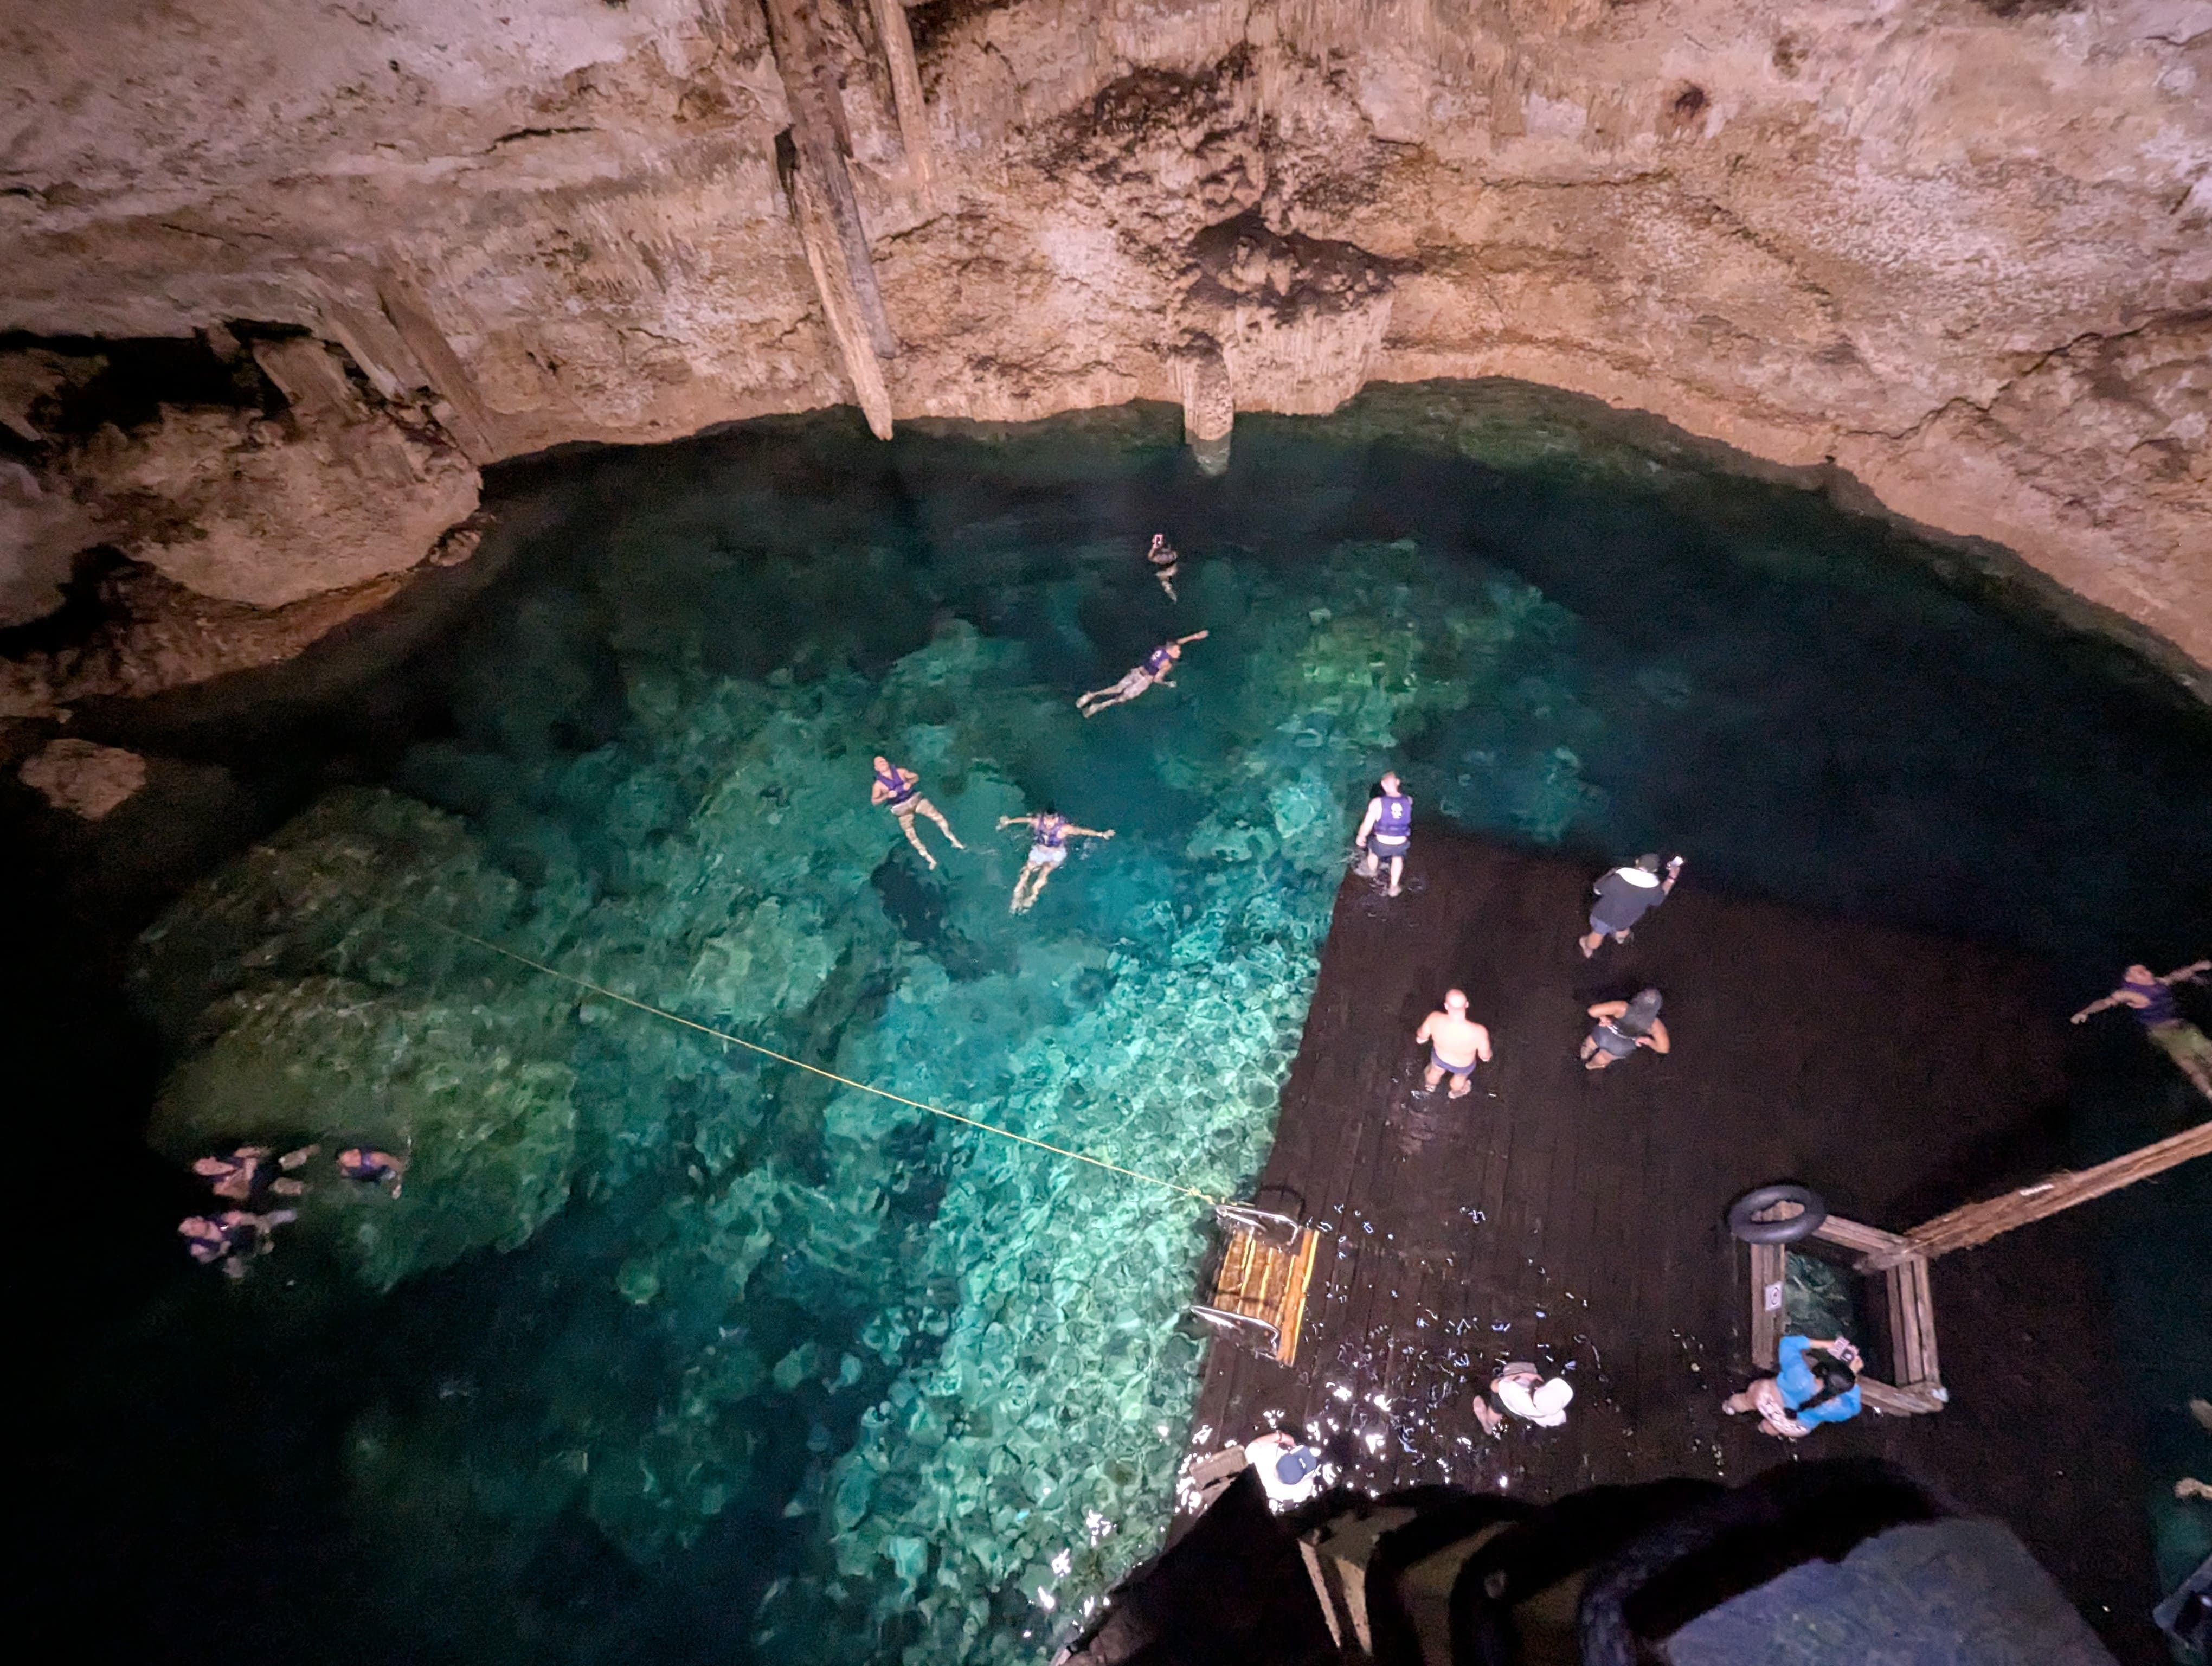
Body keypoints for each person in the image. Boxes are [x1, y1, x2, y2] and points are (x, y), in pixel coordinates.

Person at [2070, 959, 2212, 1097]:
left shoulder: (2160, 982)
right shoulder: (2128, 993)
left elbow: (2176, 976)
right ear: (2129, 978)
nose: (2145, 971)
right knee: (2193, 1067)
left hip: (2184, 1027)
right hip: (2165, 1034)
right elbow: (2105, 1002)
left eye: (2144, 969)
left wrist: (2196, 967)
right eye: (2139, 971)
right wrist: (2086, 1012)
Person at [1724, 1334, 1863, 1439]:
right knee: (1774, 1426)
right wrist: (1852, 1376)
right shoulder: (1838, 1408)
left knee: (1746, 1400)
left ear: (1821, 1369)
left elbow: (1788, 1343)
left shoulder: (1799, 1375)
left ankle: (1730, 1407)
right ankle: (1763, 1428)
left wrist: (1825, 1344)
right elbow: (1854, 1407)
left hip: (1765, 1400)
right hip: (1791, 1426)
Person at [998, 809, 1114, 913]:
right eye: (1046, 821)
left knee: (1045, 871)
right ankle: (1017, 896)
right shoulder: (1038, 822)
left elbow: (1081, 831)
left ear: (1057, 819)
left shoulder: (1064, 829)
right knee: (1026, 871)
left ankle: (1033, 896)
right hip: (1039, 853)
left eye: (1051, 822)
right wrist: (1009, 821)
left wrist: (1101, 834)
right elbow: (1026, 820)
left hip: (1055, 855)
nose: (1048, 824)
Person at [1076, 631, 1208, 716]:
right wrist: (1168, 684)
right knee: (1123, 697)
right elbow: (1157, 679)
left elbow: (1178, 642)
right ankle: (1097, 706)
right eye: (1178, 651)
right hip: (1144, 680)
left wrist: (1195, 637)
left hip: (1138, 671)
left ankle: (1090, 695)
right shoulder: (1167, 664)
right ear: (1172, 651)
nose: (1179, 653)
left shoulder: (1162, 649)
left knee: (1117, 688)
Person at [1578, 852, 1684, 958]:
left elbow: (1597, 890)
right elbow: (1660, 898)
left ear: (1637, 862)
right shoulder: (1654, 890)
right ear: (1655, 870)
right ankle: (1585, 943)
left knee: (1622, 936)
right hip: (1606, 918)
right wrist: (1672, 878)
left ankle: (1607, 934)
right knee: (1595, 943)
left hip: (1614, 917)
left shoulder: (1617, 877)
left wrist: (1610, 875)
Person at [869, 755, 966, 871]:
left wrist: (909, 783)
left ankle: (953, 840)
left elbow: (916, 777)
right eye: (879, 763)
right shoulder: (879, 785)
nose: (882, 763)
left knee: (939, 817)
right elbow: (874, 801)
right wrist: (886, 795)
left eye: (883, 761)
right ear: (877, 768)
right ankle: (929, 858)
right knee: (911, 835)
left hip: (915, 799)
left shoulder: (901, 772)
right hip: (901, 809)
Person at [1415, 989, 1493, 1099]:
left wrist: (1420, 1038)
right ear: (1467, 1005)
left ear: (1446, 1006)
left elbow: (1421, 1037)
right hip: (1463, 1066)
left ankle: (1430, 1086)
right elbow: (1485, 1056)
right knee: (1459, 1078)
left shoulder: (1434, 1019)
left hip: (1440, 1059)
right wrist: (1488, 1056)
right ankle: (1455, 1092)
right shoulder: (1479, 1032)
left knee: (1435, 1071)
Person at [178, 1208, 296, 1280]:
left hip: (253, 1236)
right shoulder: (198, 1247)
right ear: (189, 1236)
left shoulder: (222, 1219)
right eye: (188, 1231)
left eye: (193, 1224)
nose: (194, 1229)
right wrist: (219, 1252)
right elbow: (205, 1259)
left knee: (265, 1219)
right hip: (239, 1254)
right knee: (234, 1269)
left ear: (199, 1218)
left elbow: (249, 1218)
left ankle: (294, 1214)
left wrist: (259, 1225)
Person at [191, 1143, 318, 1206]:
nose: (205, 1168)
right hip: (265, 1184)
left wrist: (256, 1153)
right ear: (205, 1176)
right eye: (202, 1171)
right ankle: (314, 1190)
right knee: (291, 1187)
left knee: (299, 1155)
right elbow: (244, 1195)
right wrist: (246, 1177)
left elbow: (259, 1152)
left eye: (202, 1163)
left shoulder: (231, 1156)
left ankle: (317, 1147)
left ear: (211, 1159)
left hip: (271, 1166)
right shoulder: (220, 1186)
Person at [1581, 988, 1669, 1072]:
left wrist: (1606, 1018)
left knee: (1591, 1043)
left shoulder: (1623, 1008)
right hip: (1621, 1047)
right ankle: (1590, 1066)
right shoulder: (1655, 1025)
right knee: (1603, 1058)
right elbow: (1663, 1049)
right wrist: (1648, 1041)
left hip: (1605, 1033)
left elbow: (1592, 1011)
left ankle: (1584, 1055)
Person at [1354, 772, 1412, 897]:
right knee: (1398, 858)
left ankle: (1372, 871)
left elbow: (1367, 825)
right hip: (1401, 843)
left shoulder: (1377, 803)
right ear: (1398, 783)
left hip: (1382, 843)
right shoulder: (1408, 800)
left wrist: (1361, 836)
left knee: (1373, 850)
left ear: (1383, 785)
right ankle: (1394, 886)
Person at [1478, 1363, 1573, 1431]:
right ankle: (1490, 1425)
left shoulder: (1514, 1390)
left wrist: (1520, 1375)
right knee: (1500, 1410)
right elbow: (1561, 1420)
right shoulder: (1555, 1416)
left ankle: (1488, 1424)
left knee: (1496, 1408)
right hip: (1520, 1414)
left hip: (1503, 1400)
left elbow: (1494, 1386)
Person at [1243, 1430, 1325, 1504]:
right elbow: (1310, 1481)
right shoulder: (1301, 1491)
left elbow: (1255, 1445)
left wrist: (1281, 1437)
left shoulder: (1263, 1456)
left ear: (1283, 1456)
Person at [337, 1146, 408, 1197]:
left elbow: (400, 1167)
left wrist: (397, 1182)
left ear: (356, 1151)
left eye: (353, 1157)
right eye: (348, 1162)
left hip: (387, 1171)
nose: (353, 1161)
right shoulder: (346, 1170)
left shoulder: (377, 1158)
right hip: (370, 1176)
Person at [1146, 533, 1181, 601]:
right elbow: (1150, 557)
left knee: (1165, 577)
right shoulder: (1157, 554)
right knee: (1164, 580)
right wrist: (1154, 548)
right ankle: (1170, 591)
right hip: (1165, 570)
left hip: (1169, 569)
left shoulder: (1169, 553)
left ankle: (1170, 591)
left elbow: (1151, 557)